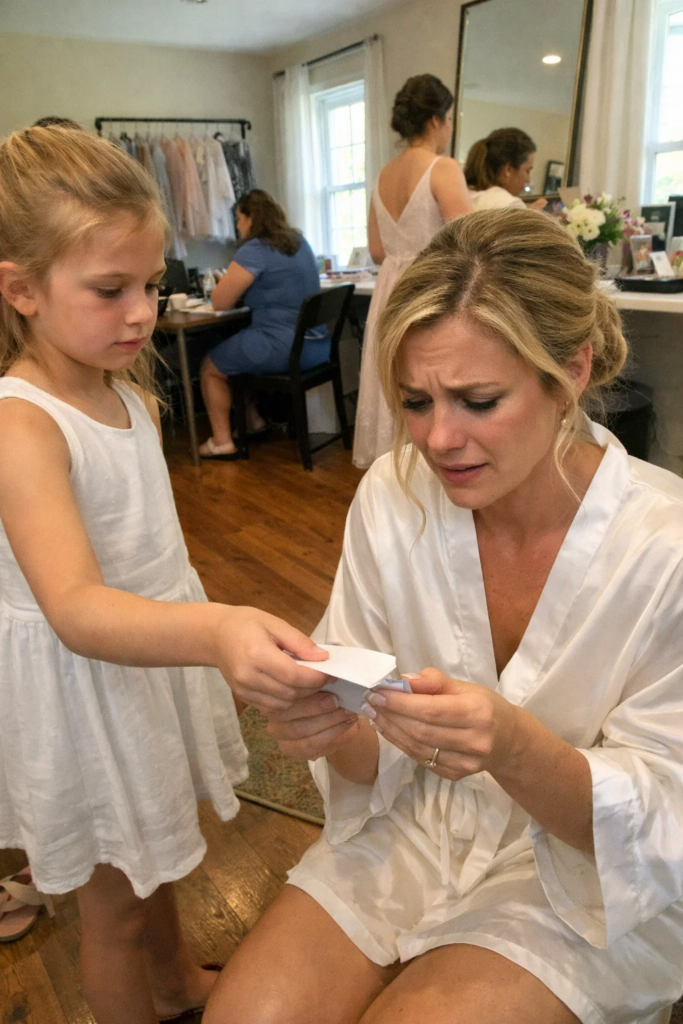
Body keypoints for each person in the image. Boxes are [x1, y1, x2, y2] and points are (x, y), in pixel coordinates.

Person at [204, 208, 683, 1024]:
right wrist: (326, 724)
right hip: (418, 821)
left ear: (571, 370)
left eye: (477, 400)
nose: (437, 439)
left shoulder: (663, 549)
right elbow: (367, 750)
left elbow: (663, 820)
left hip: (592, 875)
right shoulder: (392, 497)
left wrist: (514, 746)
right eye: (415, 401)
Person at [0, 126, 328, 1024]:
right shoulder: (23, 425)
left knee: (153, 858)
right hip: (83, 689)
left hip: (142, 666)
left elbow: (148, 551)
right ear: (21, 289)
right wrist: (217, 628)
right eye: (110, 290)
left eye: (149, 284)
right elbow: (75, 607)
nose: (142, 312)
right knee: (111, 908)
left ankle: (177, 980)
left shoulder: (131, 397)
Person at [352, 73, 472, 470]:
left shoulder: (383, 175)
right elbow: (468, 238)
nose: (449, 129)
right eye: (448, 119)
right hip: (433, 286)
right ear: (436, 120)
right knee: (437, 382)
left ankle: (398, 475)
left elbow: (376, 251)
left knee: (403, 380)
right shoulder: (442, 167)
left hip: (391, 290)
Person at [199, 189, 328, 460]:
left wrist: (225, 282)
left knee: (211, 366)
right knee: (238, 351)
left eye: (239, 218)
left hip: (284, 346)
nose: (237, 226)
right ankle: (254, 421)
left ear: (251, 218)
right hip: (317, 345)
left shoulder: (254, 249)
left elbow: (219, 302)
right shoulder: (299, 242)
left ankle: (222, 442)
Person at [464, 127, 547, 211]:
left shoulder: (464, 195)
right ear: (508, 170)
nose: (528, 180)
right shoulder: (509, 205)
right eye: (527, 171)